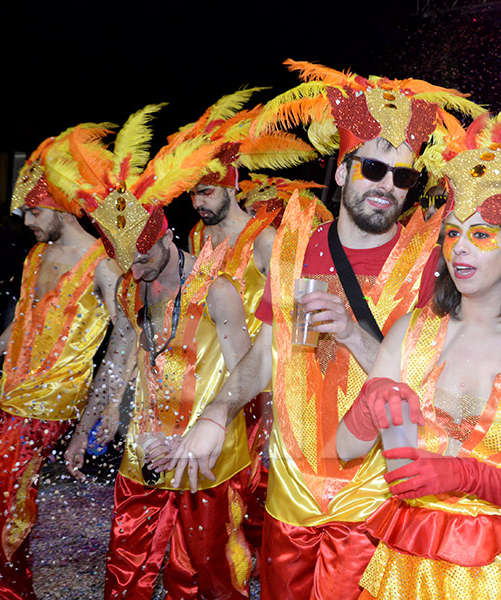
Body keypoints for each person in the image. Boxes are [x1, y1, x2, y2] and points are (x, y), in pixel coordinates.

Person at [169, 62, 482, 600]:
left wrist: (358, 336)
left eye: (403, 177)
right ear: (342, 171)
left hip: (373, 495)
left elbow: (436, 389)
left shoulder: (432, 266)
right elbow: (268, 350)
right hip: (290, 492)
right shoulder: (293, 248)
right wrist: (219, 411)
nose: (387, 187)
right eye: (373, 170)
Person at [336, 110, 501, 598]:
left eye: (480, 234)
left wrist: (467, 475)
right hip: (410, 557)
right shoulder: (411, 332)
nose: (459, 249)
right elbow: (346, 449)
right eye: (452, 232)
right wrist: (369, 404)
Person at [58, 106, 256, 599]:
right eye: (126, 260)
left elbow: (250, 370)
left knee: (206, 580)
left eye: (144, 256)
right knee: (124, 574)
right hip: (143, 451)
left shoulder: (217, 288)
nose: (138, 269)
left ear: (167, 233)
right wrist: (85, 429)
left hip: (206, 459)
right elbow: (118, 361)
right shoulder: (130, 287)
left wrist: (203, 435)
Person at [0, 131, 129, 599]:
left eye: (33, 210)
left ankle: (8, 591)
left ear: (62, 206)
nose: (27, 220)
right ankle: (0, 574)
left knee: (3, 494)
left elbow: (126, 339)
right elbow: (20, 321)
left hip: (49, 403)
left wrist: (106, 407)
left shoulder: (101, 266)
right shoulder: (35, 255)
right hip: (6, 394)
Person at [184, 99, 318, 557]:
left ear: (231, 187)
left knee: (251, 493)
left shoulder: (264, 240)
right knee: (206, 501)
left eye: (207, 192)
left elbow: (286, 318)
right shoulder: (196, 238)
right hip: (202, 380)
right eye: (193, 194)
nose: (199, 202)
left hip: (253, 386)